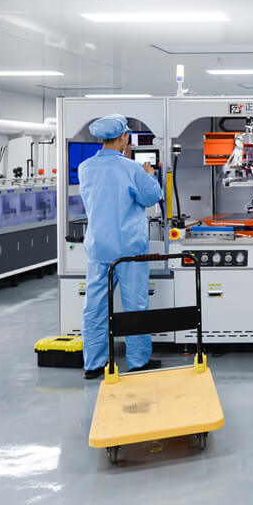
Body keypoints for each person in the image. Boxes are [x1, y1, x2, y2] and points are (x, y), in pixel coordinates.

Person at [78, 114, 165, 379]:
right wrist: (149, 175)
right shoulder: (132, 169)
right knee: (135, 304)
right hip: (129, 249)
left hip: (98, 248)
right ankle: (138, 361)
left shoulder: (85, 167)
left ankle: (94, 364)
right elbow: (152, 197)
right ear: (124, 137)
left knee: (95, 307)